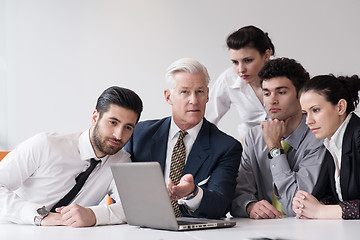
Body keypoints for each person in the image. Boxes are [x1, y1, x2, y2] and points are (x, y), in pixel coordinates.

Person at [0, 86, 143, 227]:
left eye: (128, 127)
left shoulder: (121, 161)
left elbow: (130, 207)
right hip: (16, 230)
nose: (118, 135)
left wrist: (94, 215)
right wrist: (38, 216)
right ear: (95, 117)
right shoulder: (45, 145)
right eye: (113, 122)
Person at [125, 58, 242, 219]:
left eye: (200, 92)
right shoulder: (138, 134)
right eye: (185, 92)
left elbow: (221, 204)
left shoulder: (226, 147)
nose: (194, 100)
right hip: (142, 226)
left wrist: (193, 193)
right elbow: (121, 187)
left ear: (208, 95)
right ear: (168, 97)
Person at [231, 58, 326, 219]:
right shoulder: (254, 136)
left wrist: (275, 148)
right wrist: (250, 206)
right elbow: (238, 195)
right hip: (263, 230)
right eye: (266, 93)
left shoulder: (318, 136)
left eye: (281, 92)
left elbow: (294, 206)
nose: (272, 100)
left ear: (300, 94)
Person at [292, 74, 360, 219]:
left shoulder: (358, 135)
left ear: (340, 107)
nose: (308, 121)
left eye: (315, 110)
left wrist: (319, 211)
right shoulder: (332, 143)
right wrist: (305, 205)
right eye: (305, 113)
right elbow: (334, 196)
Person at [205, 25, 274, 141]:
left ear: (266, 55)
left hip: (288, 146)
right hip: (248, 146)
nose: (241, 69)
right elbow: (207, 118)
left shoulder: (288, 74)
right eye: (235, 62)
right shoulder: (228, 79)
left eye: (248, 60)